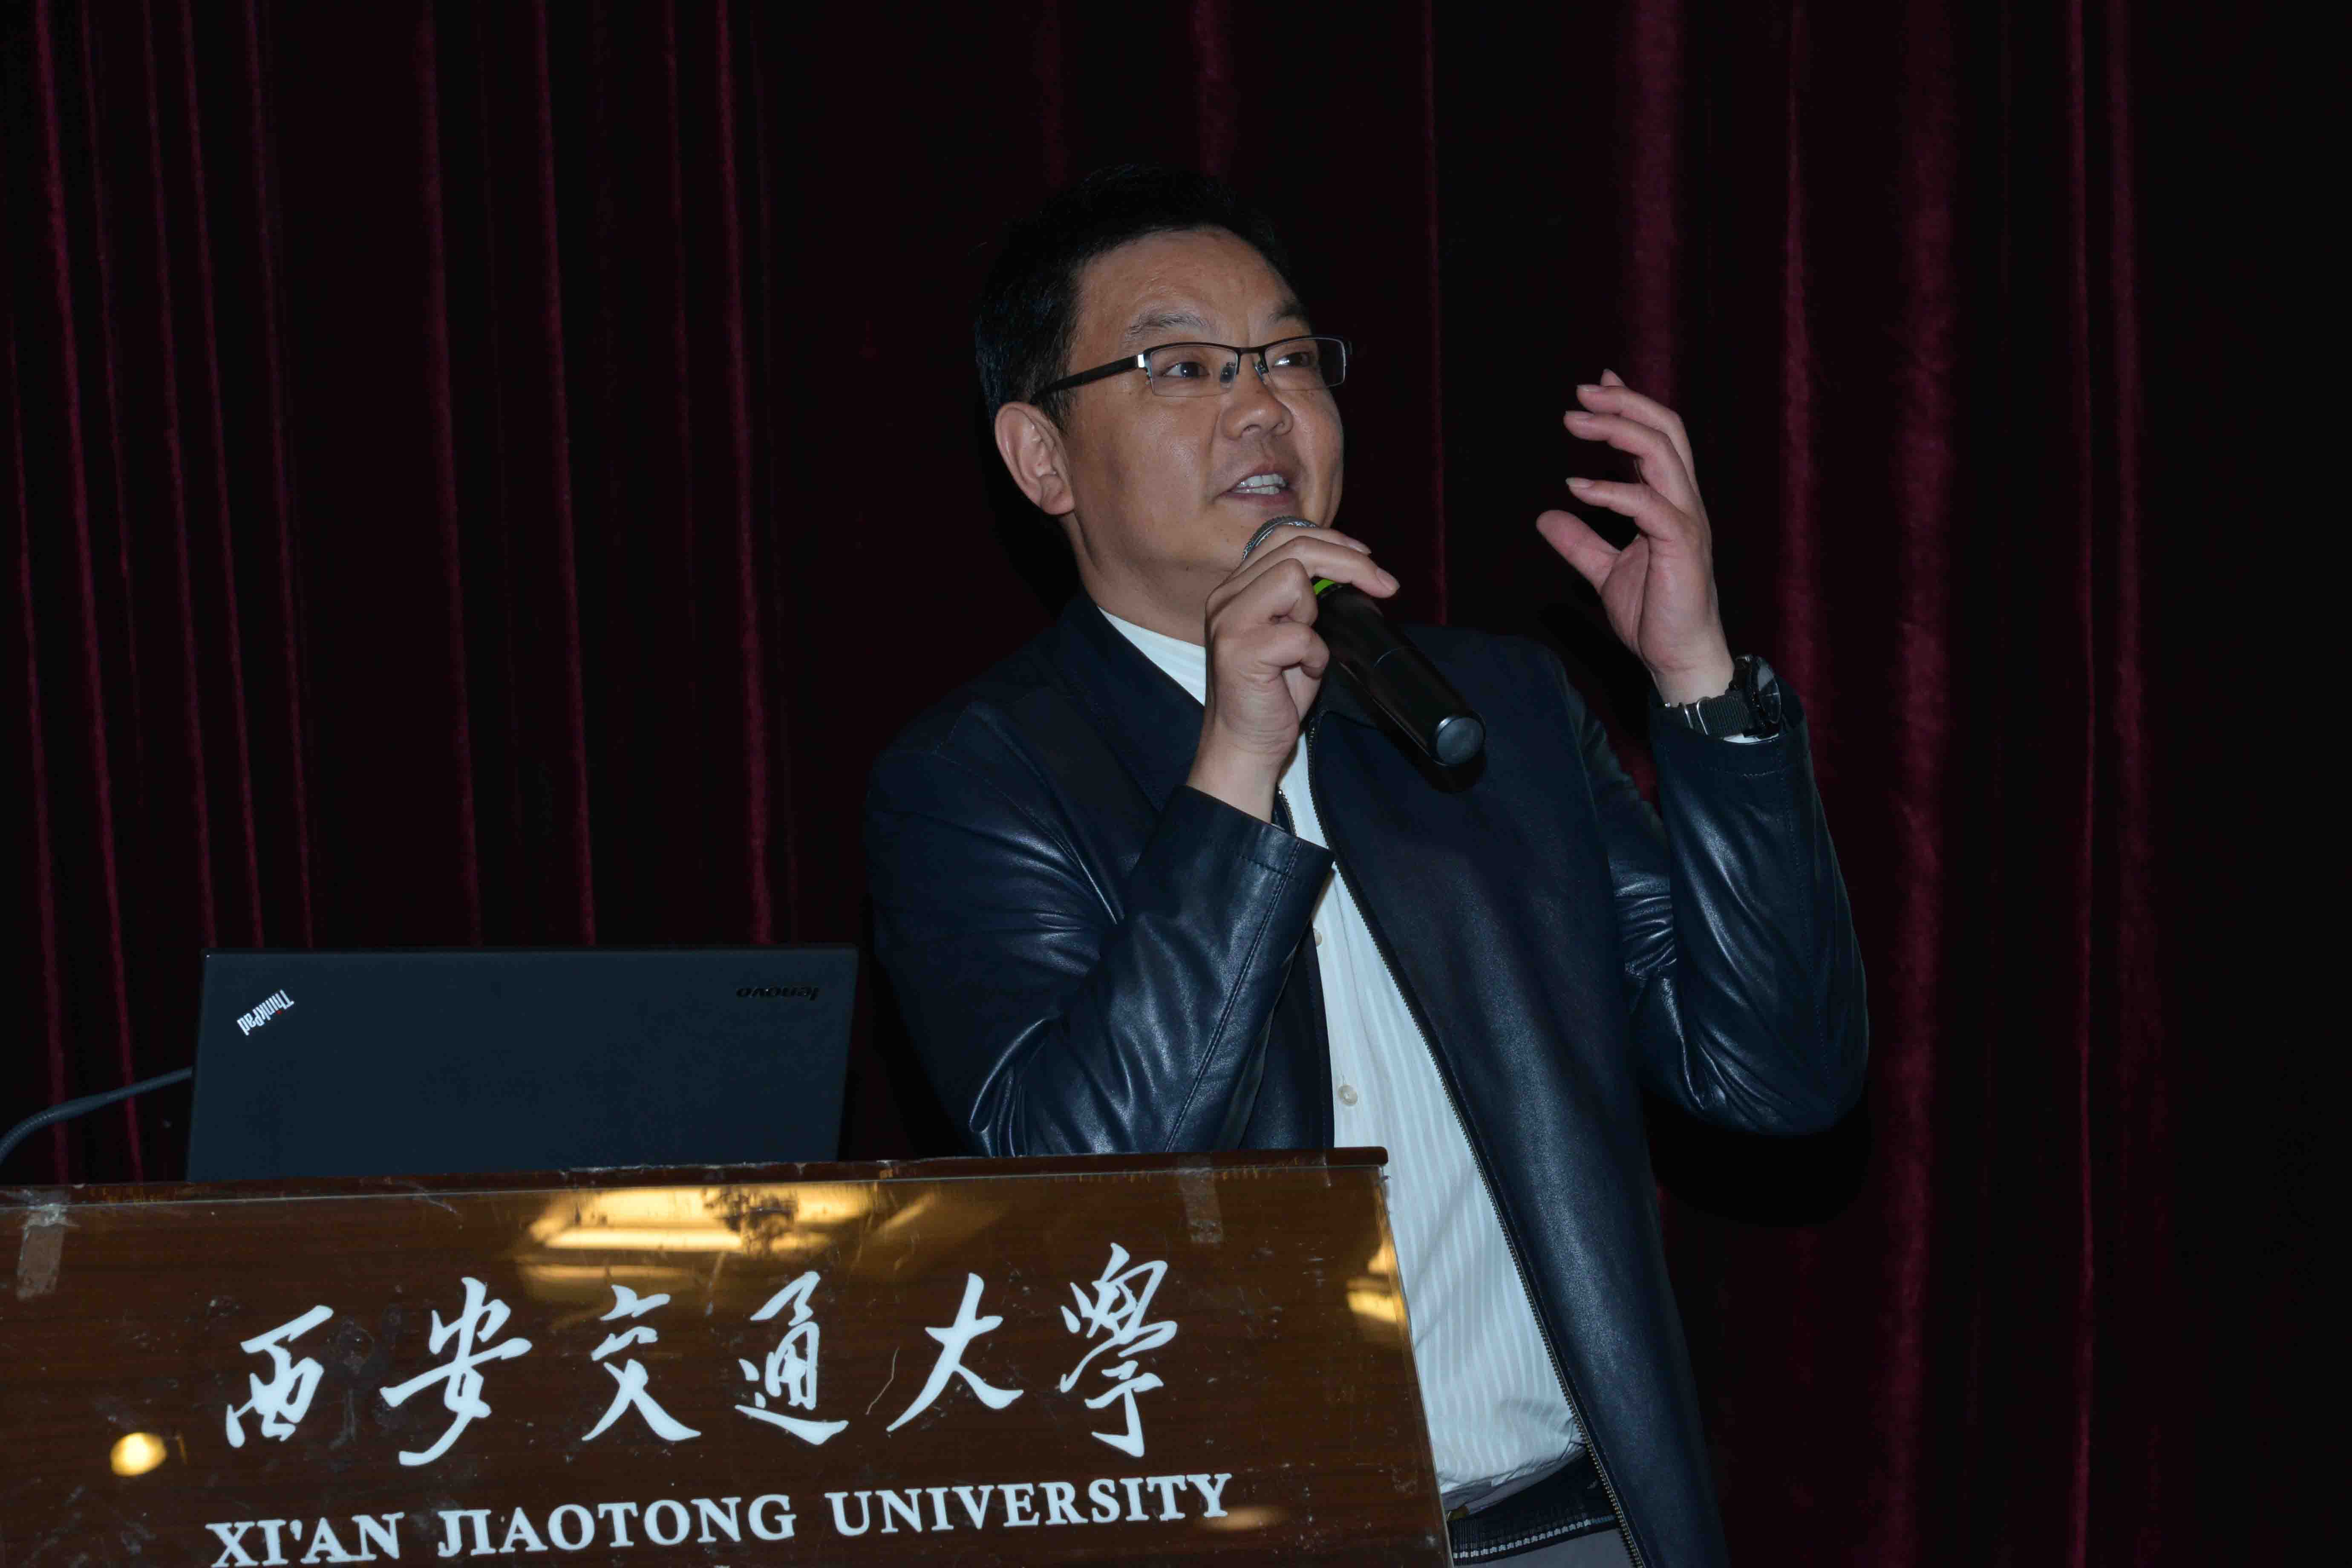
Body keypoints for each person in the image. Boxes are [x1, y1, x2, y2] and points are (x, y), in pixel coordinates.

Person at [864, 164, 1866, 1568]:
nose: (1261, 407)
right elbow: (1080, 1190)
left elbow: (1778, 1079)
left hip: (1576, 1528)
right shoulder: (973, 779)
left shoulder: (1495, 711)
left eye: (1288, 358)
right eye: (1184, 368)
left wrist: (1700, 687)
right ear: (1042, 458)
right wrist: (1234, 767)